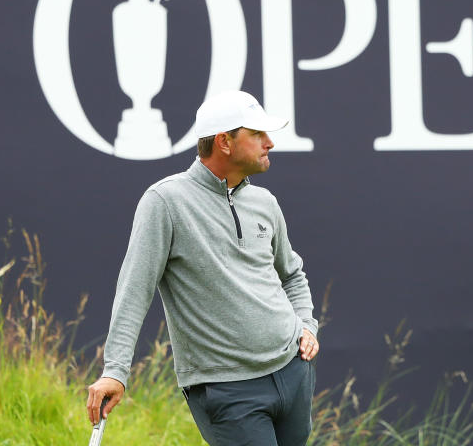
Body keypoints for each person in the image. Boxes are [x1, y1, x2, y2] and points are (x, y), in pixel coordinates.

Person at [86, 90, 320, 445]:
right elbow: (134, 291)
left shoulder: (264, 201)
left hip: (292, 371)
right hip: (226, 390)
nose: (269, 143)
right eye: (257, 134)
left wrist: (306, 324)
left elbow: (292, 274)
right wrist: (115, 372)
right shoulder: (165, 201)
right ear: (225, 142)